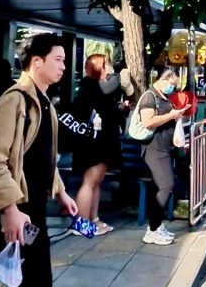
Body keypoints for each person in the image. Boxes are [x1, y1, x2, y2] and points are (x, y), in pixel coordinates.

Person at [0, 34, 77, 287]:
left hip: (33, 207)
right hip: (18, 207)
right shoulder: (14, 100)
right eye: (58, 60)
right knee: (15, 271)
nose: (63, 66)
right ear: (37, 62)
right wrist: (10, 209)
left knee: (25, 271)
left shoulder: (44, 103)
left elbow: (45, 157)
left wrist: (60, 192)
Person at [71, 54, 126, 236]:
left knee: (96, 182)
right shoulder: (93, 86)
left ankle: (93, 219)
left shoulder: (94, 87)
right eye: (105, 64)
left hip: (102, 141)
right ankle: (82, 224)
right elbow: (112, 86)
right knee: (90, 181)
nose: (108, 68)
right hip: (94, 142)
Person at [137, 69, 185, 246]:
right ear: (164, 80)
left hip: (165, 148)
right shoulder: (150, 97)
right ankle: (152, 228)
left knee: (161, 187)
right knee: (167, 185)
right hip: (154, 149)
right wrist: (171, 115)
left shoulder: (163, 97)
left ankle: (156, 226)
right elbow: (148, 122)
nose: (173, 89)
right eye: (172, 85)